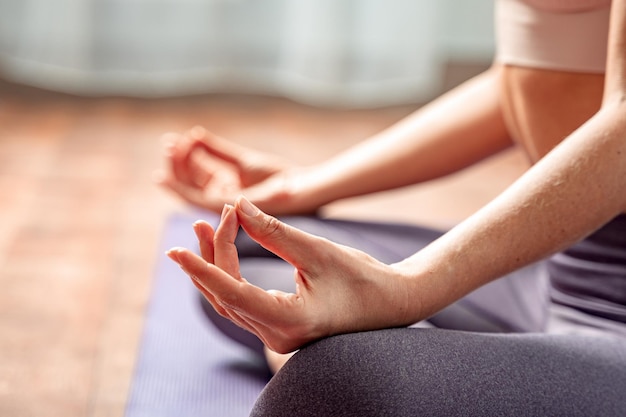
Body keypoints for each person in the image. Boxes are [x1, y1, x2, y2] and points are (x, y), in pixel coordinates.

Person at [159, 0, 626, 415]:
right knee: (235, 261)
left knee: (331, 381)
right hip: (553, 274)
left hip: (614, 316)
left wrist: (408, 289)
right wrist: (300, 188)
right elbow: (518, 78)